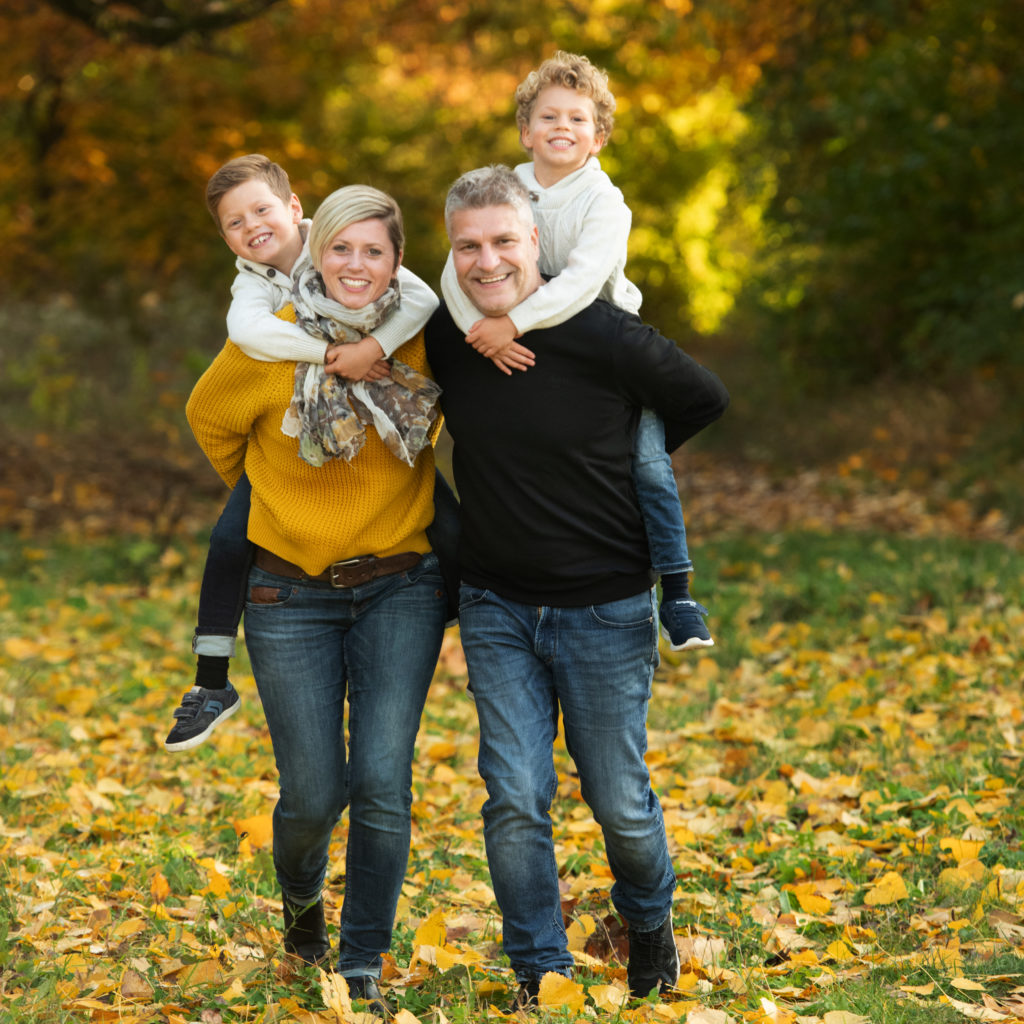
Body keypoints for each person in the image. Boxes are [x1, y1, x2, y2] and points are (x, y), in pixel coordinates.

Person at [425, 165, 729, 1008]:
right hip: (496, 605)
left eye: (505, 242)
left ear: (538, 242)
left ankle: (650, 924)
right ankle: (539, 970)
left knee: (618, 802)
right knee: (515, 796)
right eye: (469, 246)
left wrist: (631, 452)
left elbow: (704, 397)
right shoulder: (449, 335)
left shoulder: (601, 332)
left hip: (606, 604)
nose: (487, 262)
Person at [186, 184, 448, 1017]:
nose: (356, 266)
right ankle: (302, 916)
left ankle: (363, 957)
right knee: (311, 793)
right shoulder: (271, 341)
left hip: (400, 585)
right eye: (341, 250)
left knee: (381, 781)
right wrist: (269, 493)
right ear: (313, 248)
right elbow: (210, 418)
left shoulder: (418, 340)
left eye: (375, 251)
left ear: (397, 263)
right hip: (285, 594)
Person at [164, 154, 442, 753]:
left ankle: (481, 631)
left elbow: (420, 299)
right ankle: (211, 682)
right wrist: (325, 357)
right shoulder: (253, 284)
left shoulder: (344, 245)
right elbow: (250, 336)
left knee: (447, 521)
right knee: (229, 539)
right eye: (233, 223)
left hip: (380, 454)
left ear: (295, 209)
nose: (252, 227)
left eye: (262, 209)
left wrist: (372, 346)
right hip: (293, 460)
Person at [440, 51, 712, 654]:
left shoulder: (605, 202)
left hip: (600, 338)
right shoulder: (506, 189)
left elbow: (584, 282)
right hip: (523, 325)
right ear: (525, 131)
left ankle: (679, 589)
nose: (562, 127)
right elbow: (450, 275)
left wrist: (511, 321)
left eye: (578, 119)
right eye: (549, 116)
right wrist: (480, 336)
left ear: (599, 138)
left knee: (645, 465)